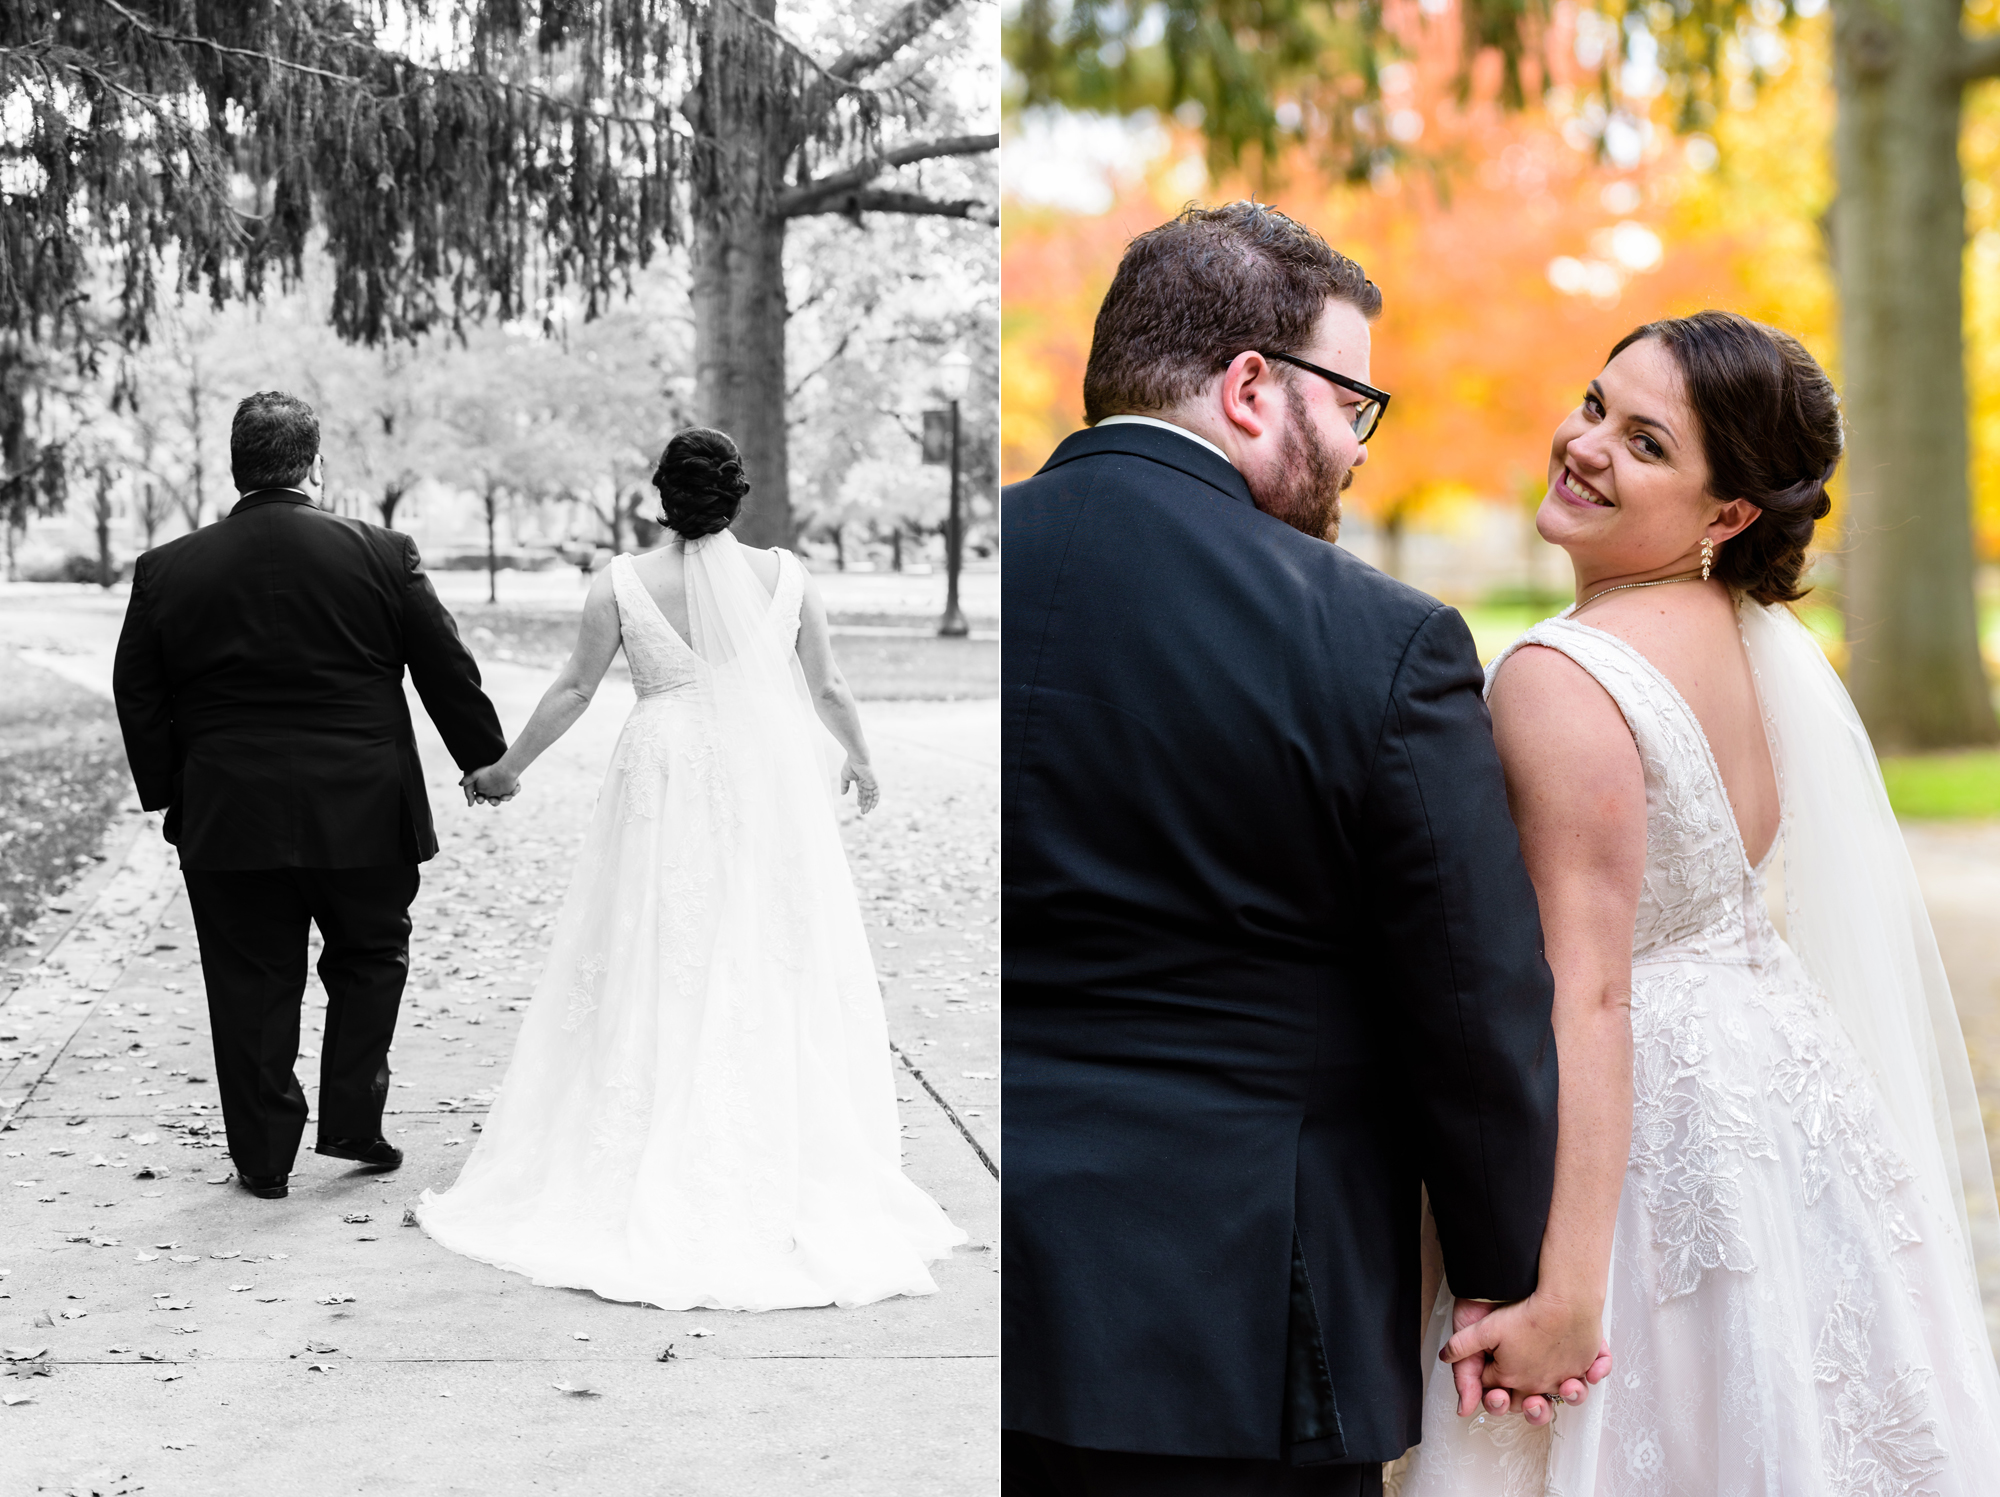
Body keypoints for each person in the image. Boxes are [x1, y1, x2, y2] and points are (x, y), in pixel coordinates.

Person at [1001, 200, 1605, 1497]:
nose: (1357, 448)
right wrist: (1511, 1276)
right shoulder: (1380, 641)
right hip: (1237, 1331)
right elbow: (1472, 1000)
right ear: (1253, 387)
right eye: (1352, 403)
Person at [1392, 311, 2000, 1494]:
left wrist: (1566, 1293)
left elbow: (1590, 986)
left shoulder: (1557, 676)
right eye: (1592, 404)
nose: (1583, 445)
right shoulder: (1756, 645)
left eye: (1646, 443)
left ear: (1727, 515)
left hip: (1639, 1137)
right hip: (1781, 1109)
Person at [415, 427, 964, 1310]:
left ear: (660, 496)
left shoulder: (623, 583)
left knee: (656, 941)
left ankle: (645, 1120)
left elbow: (572, 690)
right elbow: (827, 689)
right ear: (736, 494)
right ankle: (761, 1137)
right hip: (763, 775)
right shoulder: (788, 576)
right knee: (761, 943)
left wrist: (505, 769)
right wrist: (860, 759)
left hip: (663, 772)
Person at [111, 390, 507, 1201]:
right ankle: (353, 1120)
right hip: (364, 807)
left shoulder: (168, 568)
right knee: (369, 959)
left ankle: (263, 1158)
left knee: (250, 980)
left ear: (236, 468)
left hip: (228, 812)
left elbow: (138, 692)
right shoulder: (381, 551)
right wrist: (482, 759)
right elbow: (444, 666)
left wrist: (166, 790)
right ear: (314, 466)